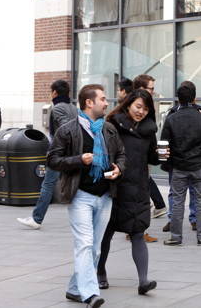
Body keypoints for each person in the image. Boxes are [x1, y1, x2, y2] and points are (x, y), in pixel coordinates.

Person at [47, 84, 125, 308]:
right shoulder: (68, 130)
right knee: (84, 244)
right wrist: (79, 160)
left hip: (105, 195)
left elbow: (121, 153)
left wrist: (119, 168)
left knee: (95, 248)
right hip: (80, 195)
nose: (106, 102)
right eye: (102, 99)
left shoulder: (108, 129)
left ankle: (74, 288)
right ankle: (90, 293)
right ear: (89, 103)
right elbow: (52, 160)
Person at [97, 89, 158, 295]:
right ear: (129, 104)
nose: (141, 111)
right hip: (114, 186)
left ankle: (143, 281)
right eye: (138, 106)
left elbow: (152, 158)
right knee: (106, 233)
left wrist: (164, 156)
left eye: (146, 108)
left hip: (139, 187)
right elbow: (104, 152)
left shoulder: (149, 130)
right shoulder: (112, 124)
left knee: (138, 232)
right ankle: (100, 273)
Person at [161, 84, 201, 246]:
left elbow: (164, 143)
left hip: (179, 166)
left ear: (178, 98)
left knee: (178, 201)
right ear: (194, 98)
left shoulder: (171, 118)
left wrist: (165, 164)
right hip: (200, 165)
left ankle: (175, 237)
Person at [17, 79, 78, 229]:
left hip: (59, 153)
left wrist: (55, 147)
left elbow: (66, 128)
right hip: (72, 153)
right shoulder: (73, 107)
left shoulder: (57, 108)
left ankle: (36, 219)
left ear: (55, 93)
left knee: (48, 185)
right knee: (76, 185)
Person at [161, 81, 201, 233]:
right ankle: (173, 220)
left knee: (191, 191)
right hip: (177, 161)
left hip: (193, 160)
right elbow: (165, 139)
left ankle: (195, 220)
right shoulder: (172, 113)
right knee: (175, 191)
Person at [132, 75, 166, 241]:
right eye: (150, 88)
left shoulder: (147, 106)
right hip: (136, 158)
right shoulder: (136, 109)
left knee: (140, 196)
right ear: (141, 89)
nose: (153, 91)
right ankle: (137, 232)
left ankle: (136, 231)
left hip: (144, 156)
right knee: (139, 197)